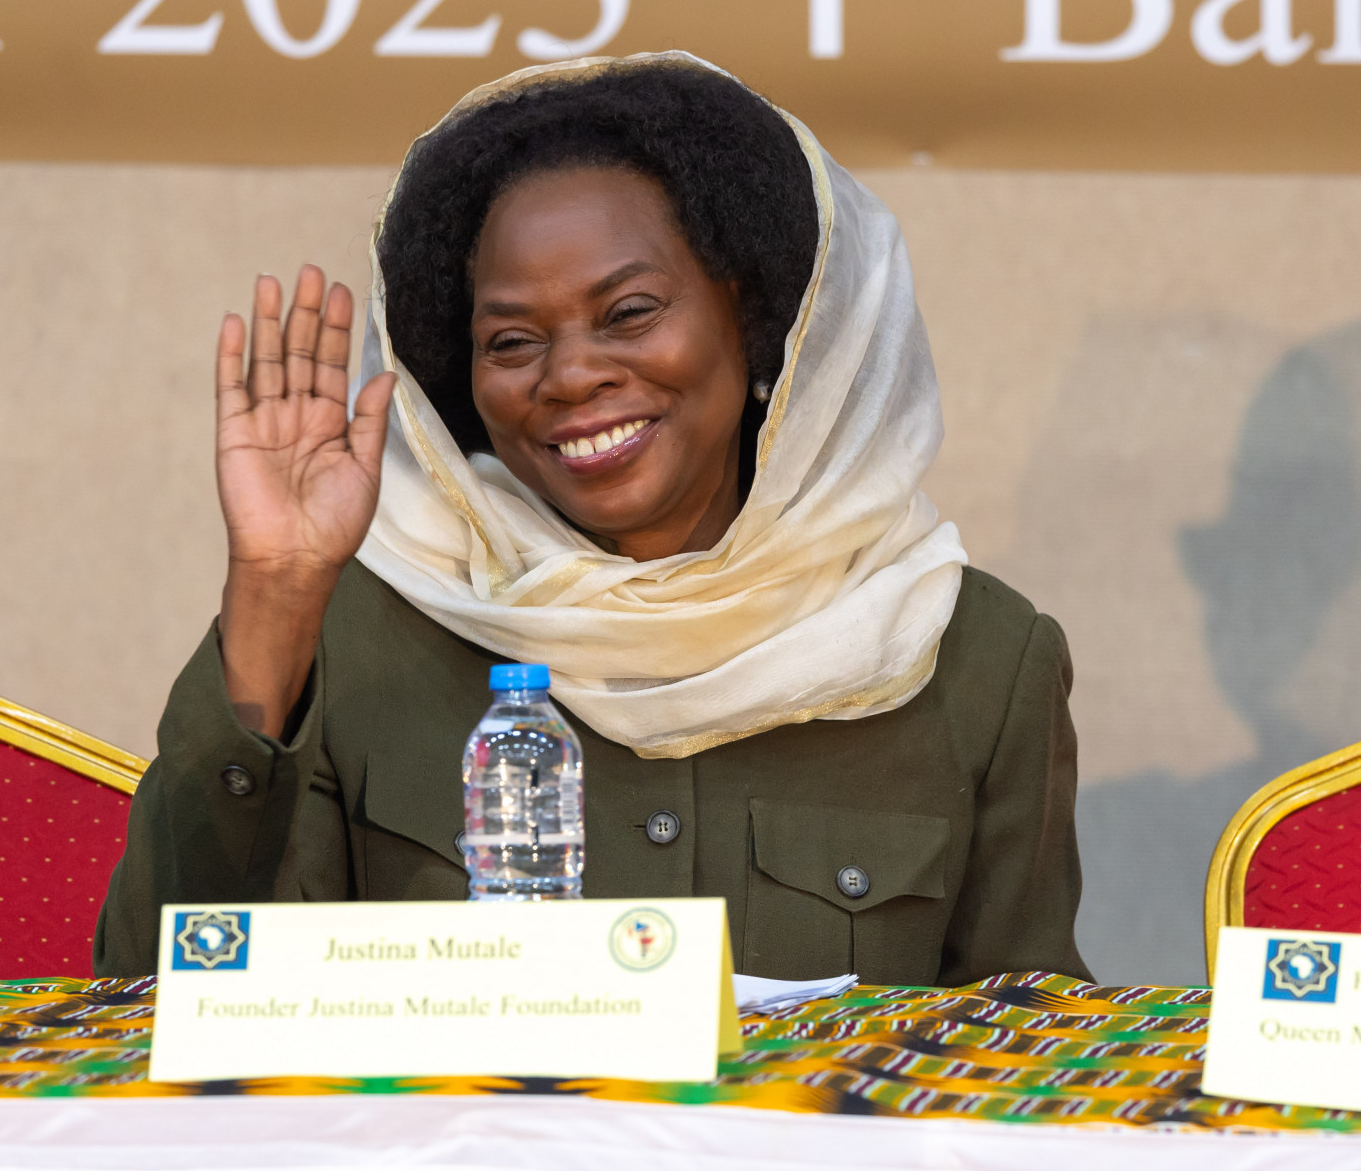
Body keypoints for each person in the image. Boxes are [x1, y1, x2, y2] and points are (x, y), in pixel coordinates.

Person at [94, 53, 1091, 985]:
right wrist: (276, 589)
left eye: (629, 313)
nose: (571, 376)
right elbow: (158, 989)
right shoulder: (354, 634)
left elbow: (1027, 1049)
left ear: (751, 317)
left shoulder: (972, 661)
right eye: (512, 341)